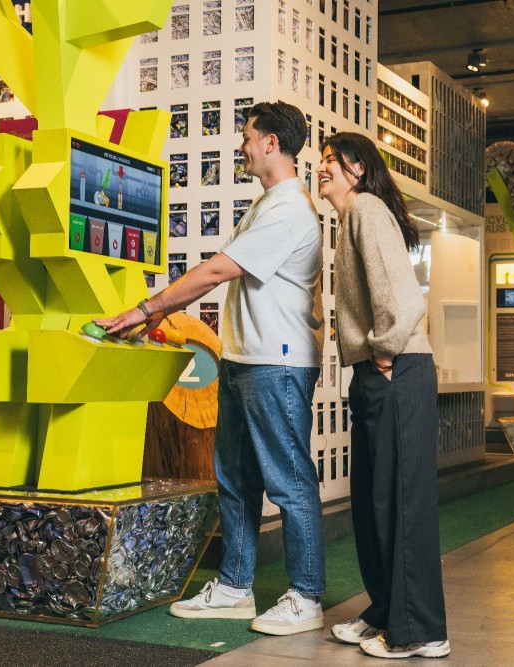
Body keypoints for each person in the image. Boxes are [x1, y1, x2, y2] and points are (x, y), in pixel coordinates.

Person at [95, 101, 326, 636]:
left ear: (271, 142)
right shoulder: (266, 204)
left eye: (247, 136)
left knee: (288, 482)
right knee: (235, 478)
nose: (242, 146)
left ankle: (307, 596)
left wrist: (147, 308)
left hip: (277, 364)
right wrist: (156, 315)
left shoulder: (289, 209)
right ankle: (235, 588)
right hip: (245, 359)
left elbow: (219, 270)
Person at [315, 132, 450, 659]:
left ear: (357, 168)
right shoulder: (355, 216)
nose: (321, 168)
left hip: (397, 369)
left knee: (400, 502)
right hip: (378, 371)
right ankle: (387, 611)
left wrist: (387, 350)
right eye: (321, 160)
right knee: (375, 501)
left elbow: (403, 298)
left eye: (331, 160)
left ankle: (420, 630)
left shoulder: (367, 209)